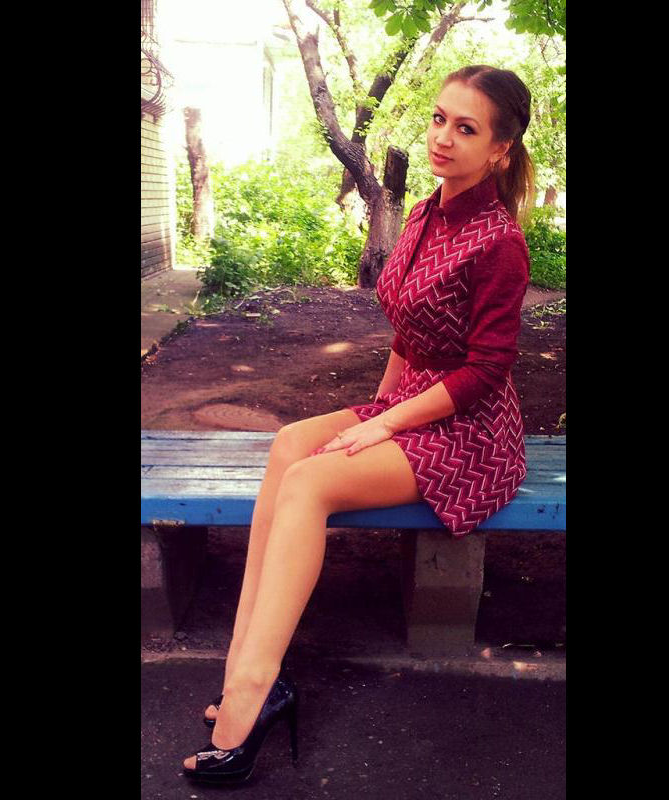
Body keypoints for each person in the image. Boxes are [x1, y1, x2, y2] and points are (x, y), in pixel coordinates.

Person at [182, 64, 535, 785]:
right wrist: (375, 411)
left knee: (310, 483)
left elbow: (485, 371)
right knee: (290, 444)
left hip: (471, 432)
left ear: (500, 149)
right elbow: (408, 328)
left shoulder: (499, 242)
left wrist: (383, 427)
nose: (442, 137)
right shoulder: (426, 211)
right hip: (412, 403)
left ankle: (252, 693)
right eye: (439, 118)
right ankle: (242, 667)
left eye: (466, 128)